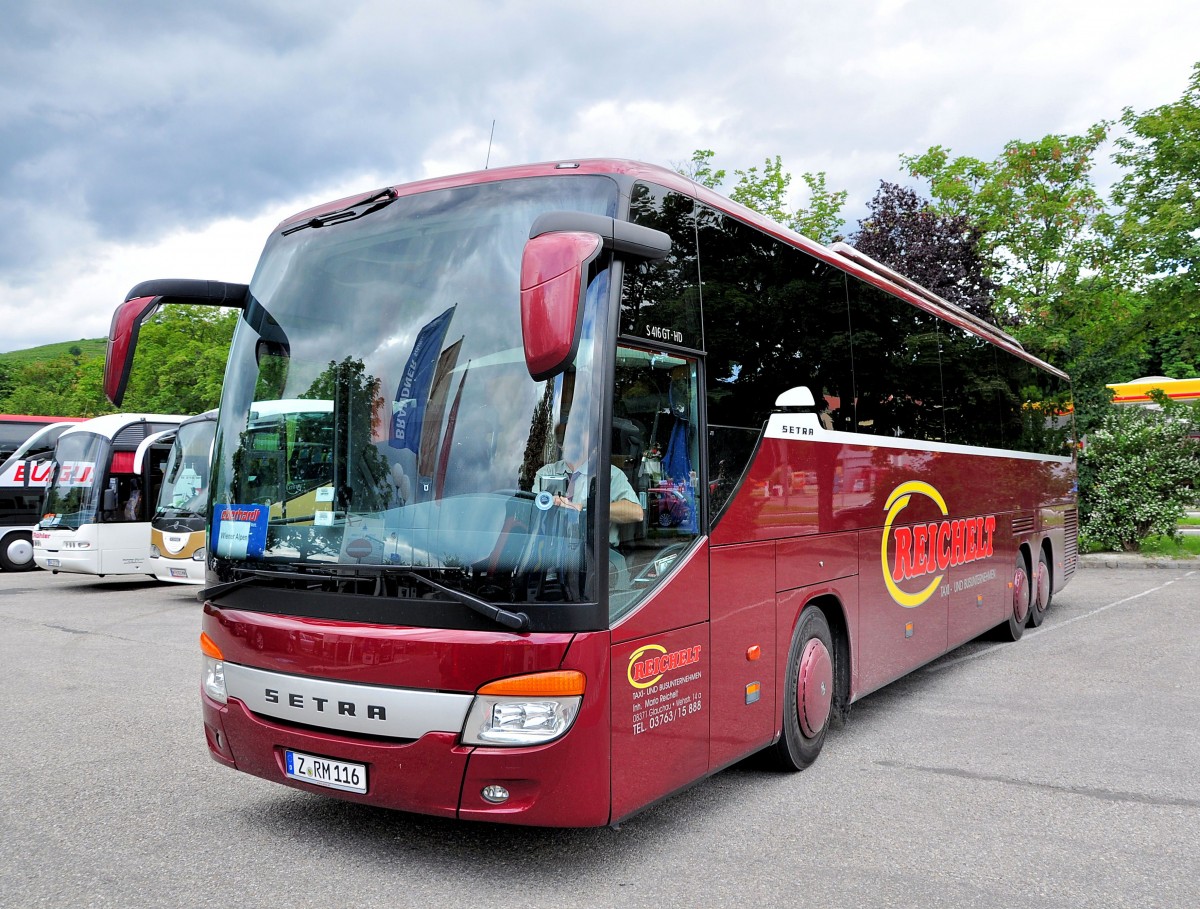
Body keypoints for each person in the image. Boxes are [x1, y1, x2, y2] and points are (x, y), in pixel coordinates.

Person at [534, 420, 644, 587]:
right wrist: (550, 505)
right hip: (552, 557)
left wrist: (586, 507)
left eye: (578, 439)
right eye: (565, 439)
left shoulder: (609, 474)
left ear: (593, 445)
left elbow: (636, 512)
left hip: (600, 557)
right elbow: (533, 512)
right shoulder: (546, 473)